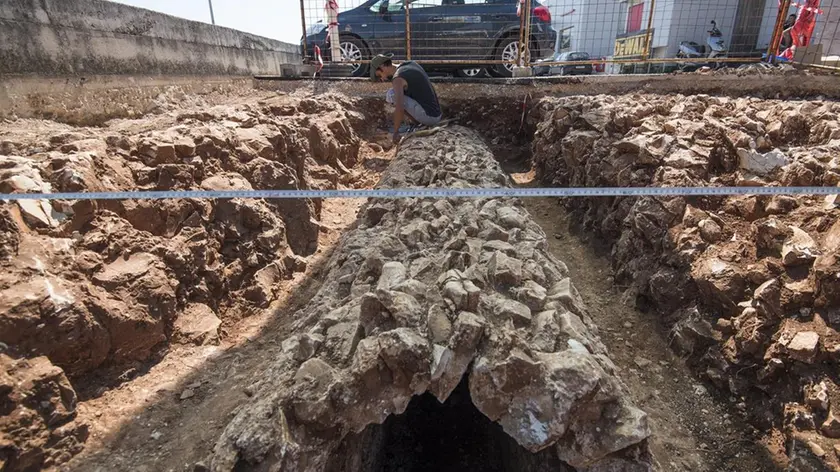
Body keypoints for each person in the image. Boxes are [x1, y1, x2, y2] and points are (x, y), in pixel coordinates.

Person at [370, 54, 442, 143]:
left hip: (430, 118)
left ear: (382, 66)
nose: (381, 79)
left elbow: (399, 107)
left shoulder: (398, 79)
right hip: (436, 114)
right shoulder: (410, 64)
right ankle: (418, 123)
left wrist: (396, 132)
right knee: (395, 93)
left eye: (379, 75)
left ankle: (418, 124)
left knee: (391, 95)